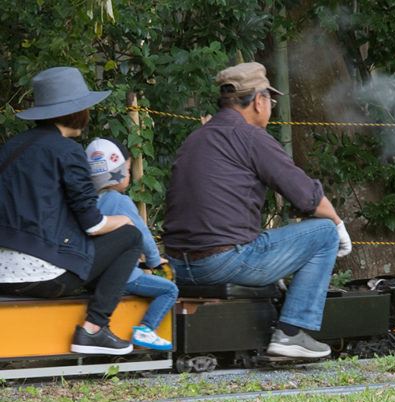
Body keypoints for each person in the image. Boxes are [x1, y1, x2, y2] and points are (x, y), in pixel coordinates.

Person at [163, 62, 352, 360]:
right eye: (271, 101)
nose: (271, 108)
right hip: (221, 262)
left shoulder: (195, 138)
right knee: (324, 232)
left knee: (265, 236)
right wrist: (339, 226)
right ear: (259, 100)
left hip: (177, 265)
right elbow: (307, 197)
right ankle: (291, 333)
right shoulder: (250, 136)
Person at [0, 66, 142, 355]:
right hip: (44, 277)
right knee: (129, 236)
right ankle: (94, 328)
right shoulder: (68, 151)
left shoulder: (11, 147)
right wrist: (124, 219)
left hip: (3, 274)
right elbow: (93, 225)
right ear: (79, 111)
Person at [85, 137, 178, 351]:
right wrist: (154, 260)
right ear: (116, 173)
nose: (128, 176)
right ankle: (146, 329)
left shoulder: (87, 200)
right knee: (170, 290)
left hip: (92, 274)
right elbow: (142, 235)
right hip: (122, 276)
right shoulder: (121, 201)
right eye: (126, 171)